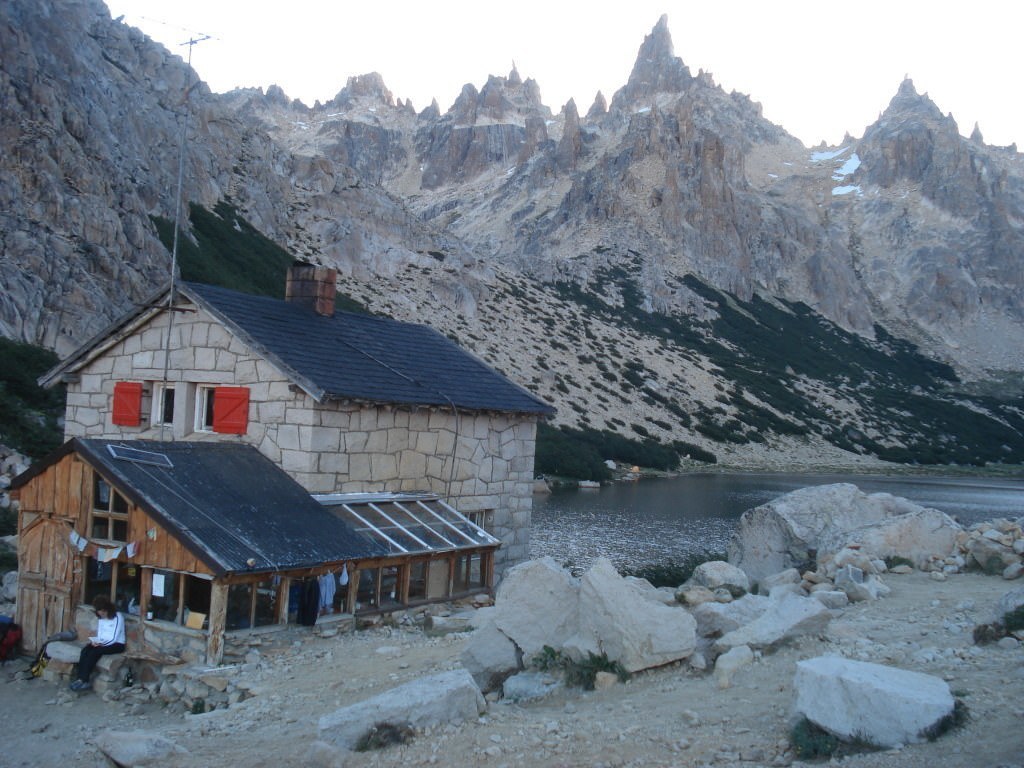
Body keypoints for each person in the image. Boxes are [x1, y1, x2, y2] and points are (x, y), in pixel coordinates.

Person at [69, 595, 125, 691]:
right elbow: (101, 633)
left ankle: (84, 680)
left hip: (117, 644)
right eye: (100, 612)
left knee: (94, 653)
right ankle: (79, 678)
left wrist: (100, 644)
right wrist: (95, 641)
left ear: (107, 609)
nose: (102, 614)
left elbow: (114, 638)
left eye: (103, 611)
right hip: (103, 642)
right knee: (85, 650)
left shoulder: (118, 617)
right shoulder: (101, 618)